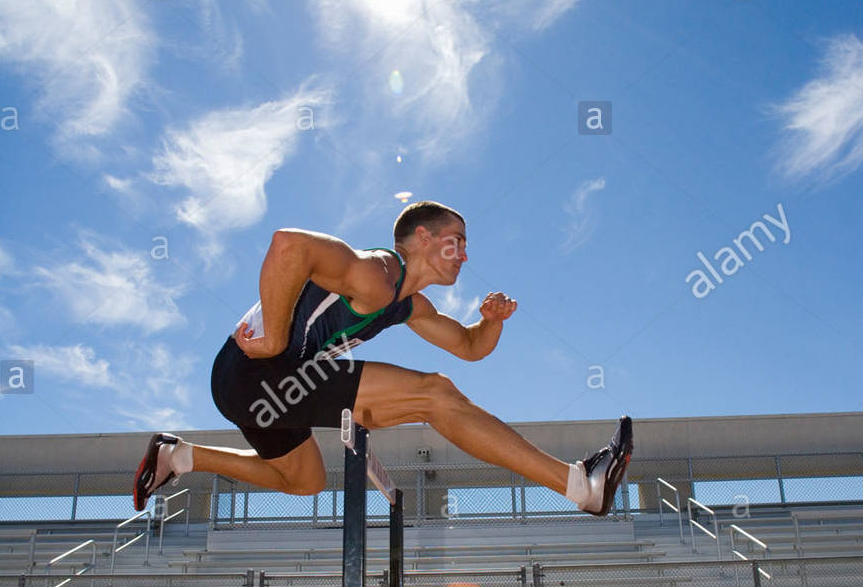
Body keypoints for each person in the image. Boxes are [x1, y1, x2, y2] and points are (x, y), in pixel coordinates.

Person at [132, 200, 633, 516]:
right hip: (256, 370)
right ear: (422, 239)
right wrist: (272, 340)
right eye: (455, 242)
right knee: (433, 394)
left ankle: (179, 456)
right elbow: (288, 245)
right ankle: (579, 484)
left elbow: (469, 348)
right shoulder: (376, 274)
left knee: (304, 481)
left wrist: (491, 322)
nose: (463, 254)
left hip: (269, 389)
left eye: (466, 246)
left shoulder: (409, 304)